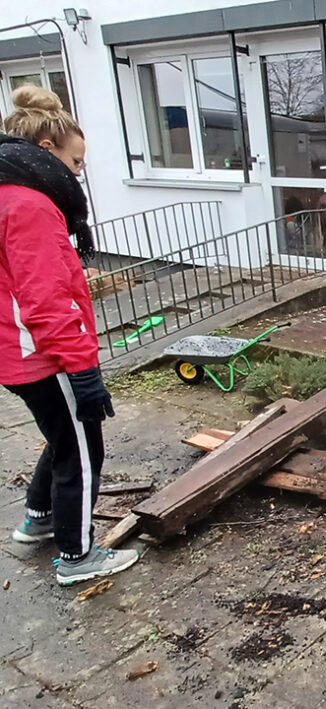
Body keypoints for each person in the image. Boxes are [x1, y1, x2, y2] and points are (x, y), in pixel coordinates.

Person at [1, 85, 139, 585]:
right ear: (46, 151)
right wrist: (81, 369)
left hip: (18, 352)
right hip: (43, 354)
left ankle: (38, 520)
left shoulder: (9, 195)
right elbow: (45, 299)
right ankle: (78, 558)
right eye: (76, 162)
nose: (79, 173)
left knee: (61, 438)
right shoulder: (29, 206)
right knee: (83, 450)